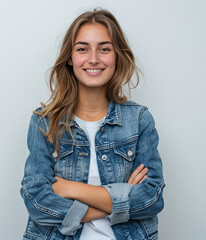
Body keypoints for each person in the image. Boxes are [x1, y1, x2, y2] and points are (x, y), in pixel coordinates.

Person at [20, 8, 165, 240]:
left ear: (117, 56)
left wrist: (70, 188)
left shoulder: (138, 120)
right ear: (70, 57)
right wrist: (120, 201)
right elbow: (37, 201)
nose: (94, 59)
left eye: (105, 49)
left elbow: (151, 199)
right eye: (82, 49)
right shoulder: (44, 122)